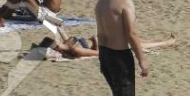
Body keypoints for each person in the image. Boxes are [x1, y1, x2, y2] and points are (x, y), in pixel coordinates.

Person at [41, 34, 175, 61]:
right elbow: (97, 53)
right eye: (55, 41)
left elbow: (67, 41)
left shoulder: (67, 44)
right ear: (57, 48)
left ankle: (159, 41)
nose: (57, 39)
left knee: (128, 36)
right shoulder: (75, 49)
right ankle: (165, 43)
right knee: (130, 42)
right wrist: (95, 40)